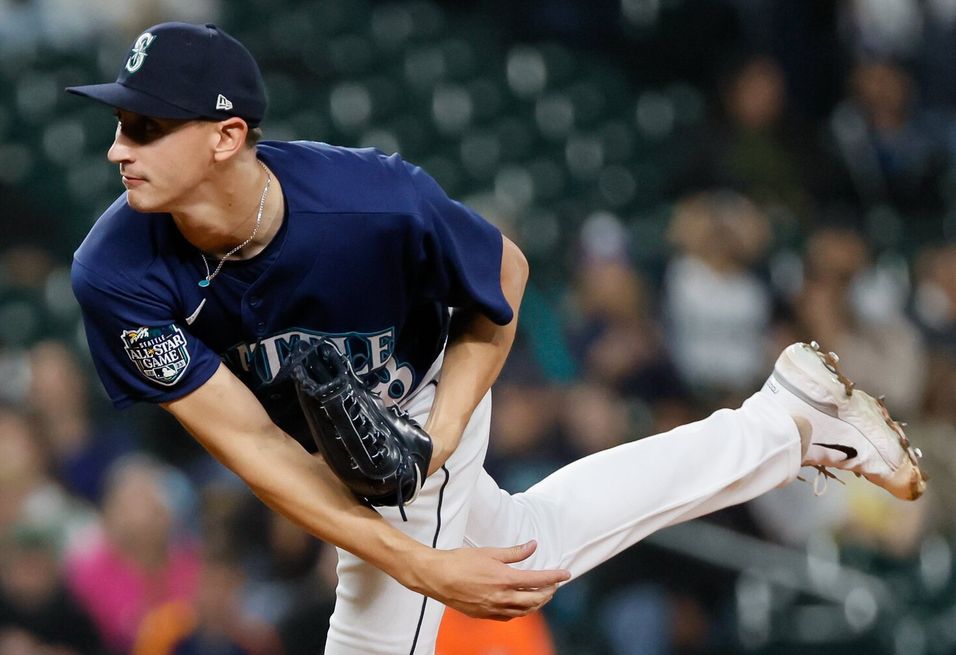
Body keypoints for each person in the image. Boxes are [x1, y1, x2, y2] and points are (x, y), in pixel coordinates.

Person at [65, 22, 927, 655]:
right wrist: (417, 557)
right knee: (525, 548)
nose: (117, 148)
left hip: (430, 384)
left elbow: (504, 274)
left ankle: (787, 425)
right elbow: (249, 442)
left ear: (226, 138)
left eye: (144, 127)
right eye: (119, 123)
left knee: (372, 637)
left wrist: (433, 445)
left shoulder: (369, 202)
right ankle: (788, 423)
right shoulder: (115, 270)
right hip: (333, 444)